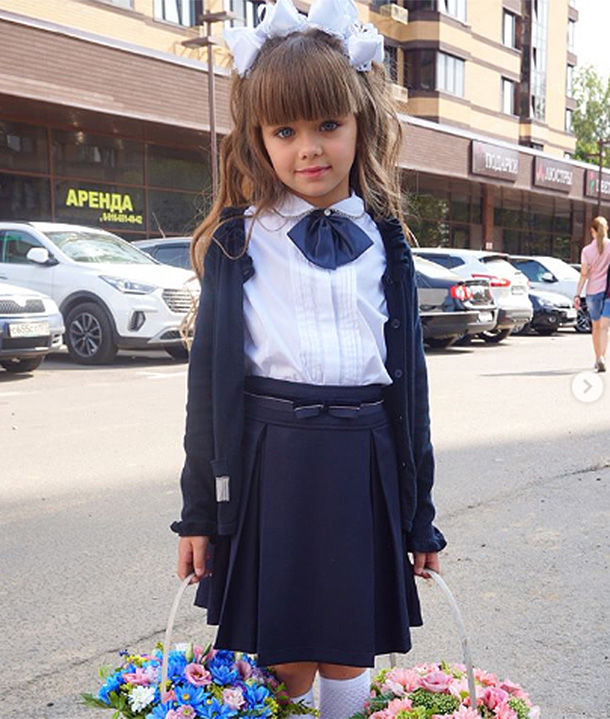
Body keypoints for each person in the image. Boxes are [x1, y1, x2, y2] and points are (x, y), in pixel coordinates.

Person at [171, 1, 446, 718]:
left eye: (328, 124)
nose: (309, 149)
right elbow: (208, 393)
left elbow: (410, 391)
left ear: (361, 123)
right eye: (284, 131)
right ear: (259, 139)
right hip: (274, 459)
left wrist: (419, 514)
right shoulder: (238, 241)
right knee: (285, 648)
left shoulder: (387, 241)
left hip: (364, 455)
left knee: (350, 643)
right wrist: (198, 514)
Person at [575, 216, 610, 372]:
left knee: (596, 327)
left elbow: (584, 274)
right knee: (605, 328)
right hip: (608, 292)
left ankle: (598, 358)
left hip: (592, 292)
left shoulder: (586, 251)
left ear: (592, 231)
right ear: (606, 229)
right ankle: (603, 357)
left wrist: (577, 294)